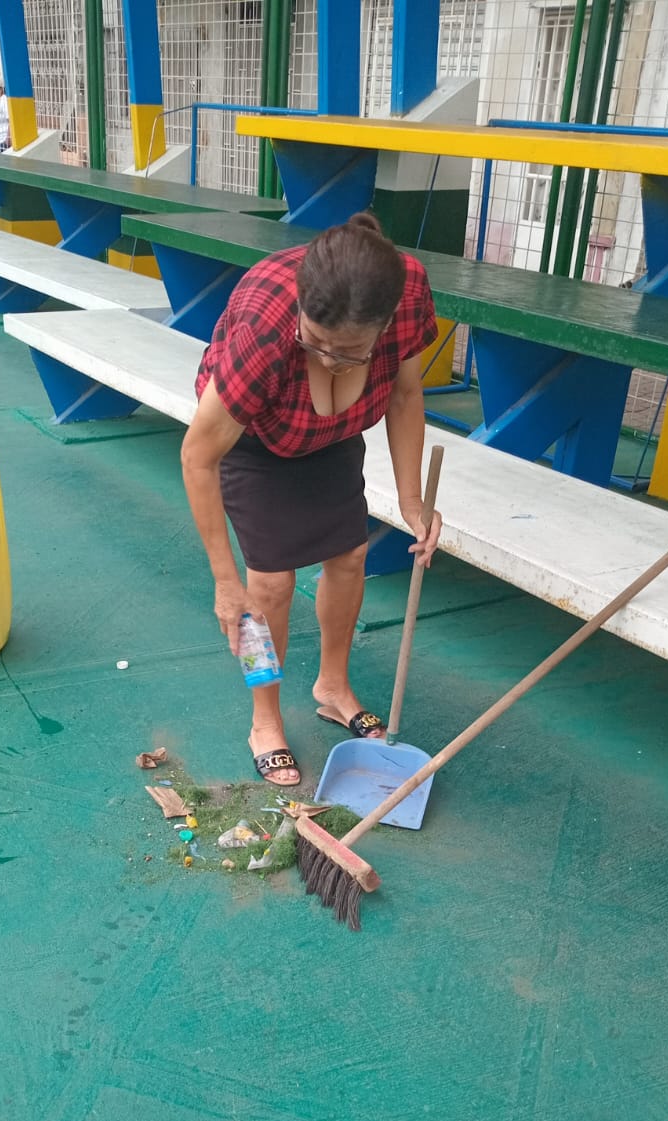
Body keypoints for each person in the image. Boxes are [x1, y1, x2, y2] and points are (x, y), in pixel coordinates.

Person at [181, 213, 443, 788]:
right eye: (315, 341)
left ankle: (333, 686)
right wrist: (225, 582)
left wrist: (411, 500)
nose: (327, 358)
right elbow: (198, 457)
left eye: (347, 350)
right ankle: (264, 719)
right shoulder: (265, 329)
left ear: (384, 324)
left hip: (332, 433)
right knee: (267, 586)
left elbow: (404, 395)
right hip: (254, 438)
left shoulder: (408, 294)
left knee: (350, 557)